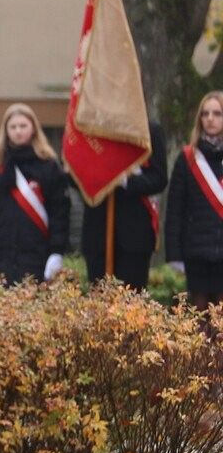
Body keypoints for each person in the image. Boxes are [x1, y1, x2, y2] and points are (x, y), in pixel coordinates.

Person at [0, 103, 71, 286]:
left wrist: (57, 251)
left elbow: (59, 212)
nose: (18, 131)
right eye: (13, 127)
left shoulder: (49, 166)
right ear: (6, 131)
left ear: (33, 129)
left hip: (37, 254)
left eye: (23, 126)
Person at [82, 120, 168, 291]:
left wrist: (124, 179)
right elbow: (74, 176)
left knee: (131, 304)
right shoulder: (90, 128)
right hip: (97, 232)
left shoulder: (148, 130)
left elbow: (159, 179)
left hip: (134, 235)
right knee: (98, 305)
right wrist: (99, 172)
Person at [164, 91, 223, 310]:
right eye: (205, 113)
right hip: (197, 256)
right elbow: (175, 210)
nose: (210, 118)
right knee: (200, 326)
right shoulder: (188, 159)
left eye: (217, 113)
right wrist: (174, 255)